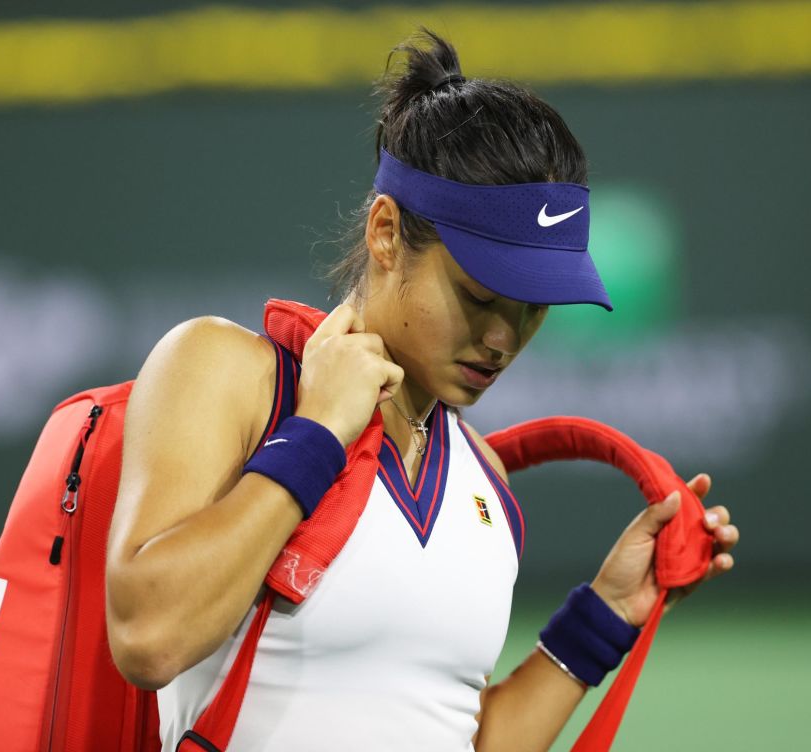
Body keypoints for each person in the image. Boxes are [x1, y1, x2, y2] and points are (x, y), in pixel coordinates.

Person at [104, 29, 739, 752]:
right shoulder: (230, 373)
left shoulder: (484, 480)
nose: (505, 338)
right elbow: (148, 638)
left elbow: (450, 734)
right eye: (481, 294)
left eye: (533, 308)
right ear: (384, 231)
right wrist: (313, 437)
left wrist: (609, 612)